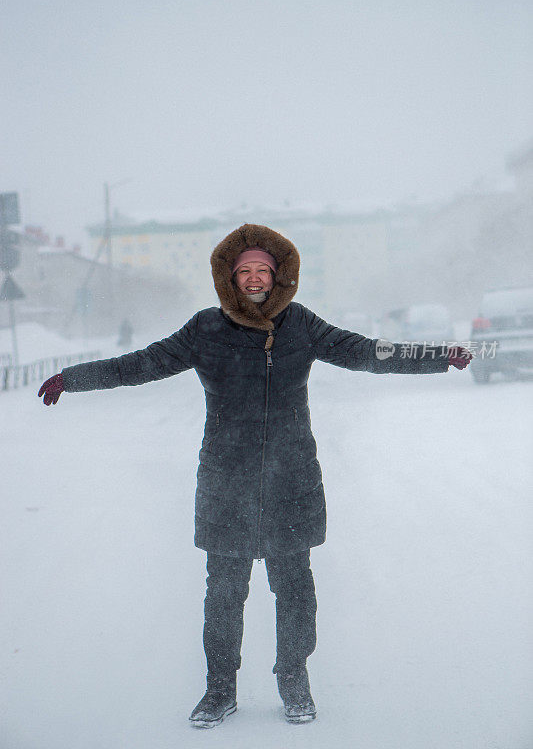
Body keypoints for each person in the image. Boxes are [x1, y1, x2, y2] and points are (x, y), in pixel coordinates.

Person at [38, 223, 472, 728]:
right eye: (243, 270)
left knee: (295, 589)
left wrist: (436, 356)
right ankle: (219, 690)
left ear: (278, 274)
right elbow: (141, 364)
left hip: (291, 481)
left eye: (262, 269)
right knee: (223, 593)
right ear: (229, 277)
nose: (253, 278)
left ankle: (294, 680)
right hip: (227, 483)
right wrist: (73, 378)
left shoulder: (301, 325)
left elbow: (364, 351)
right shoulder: (205, 329)